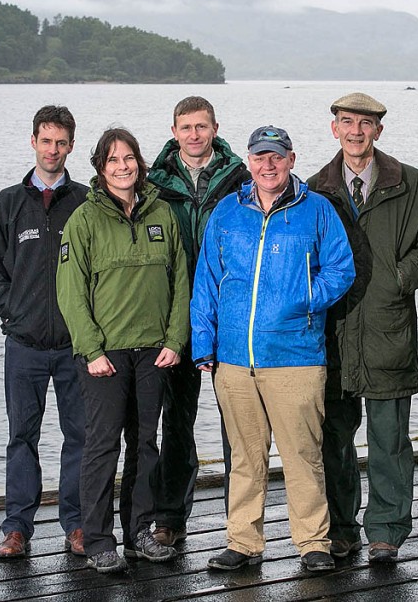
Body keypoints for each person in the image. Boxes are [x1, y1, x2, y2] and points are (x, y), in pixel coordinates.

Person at [191, 126, 355, 573]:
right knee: (245, 457)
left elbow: (342, 269)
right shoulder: (227, 212)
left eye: (277, 157)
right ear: (248, 161)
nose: (269, 164)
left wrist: (303, 297)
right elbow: (206, 281)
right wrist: (204, 344)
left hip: (296, 357)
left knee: (303, 454)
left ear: (291, 159)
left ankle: (313, 543)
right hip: (234, 360)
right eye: (261, 156)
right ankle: (243, 541)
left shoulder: (316, 210)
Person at [307, 92, 418, 563]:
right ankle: (342, 528)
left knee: (389, 441)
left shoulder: (411, 183)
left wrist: (398, 279)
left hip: (388, 328)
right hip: (333, 333)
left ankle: (386, 530)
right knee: (334, 441)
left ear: (379, 130)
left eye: (365, 124)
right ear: (334, 129)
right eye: (347, 122)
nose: (356, 132)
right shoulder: (313, 188)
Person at [56, 127, 190, 574]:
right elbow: (71, 295)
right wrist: (92, 350)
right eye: (113, 160)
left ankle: (138, 532)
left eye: (129, 158)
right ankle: (97, 540)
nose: (122, 166)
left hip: (153, 352)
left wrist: (174, 340)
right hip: (104, 356)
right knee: (101, 448)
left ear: (140, 163)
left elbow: (180, 283)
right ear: (99, 167)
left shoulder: (162, 214)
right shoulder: (84, 220)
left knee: (145, 445)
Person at [0, 105, 88, 559]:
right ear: (33, 142)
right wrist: (13, 310)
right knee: (22, 435)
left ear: (71, 146)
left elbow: (96, 271)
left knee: (80, 436)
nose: (53, 150)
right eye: (46, 141)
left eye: (61, 142)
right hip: (23, 344)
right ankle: (17, 528)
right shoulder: (8, 202)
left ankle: (77, 525)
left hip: (75, 345)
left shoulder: (84, 201)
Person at [147, 96, 249, 546]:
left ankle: (240, 520)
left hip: (227, 316)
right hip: (176, 318)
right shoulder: (154, 183)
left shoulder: (239, 179)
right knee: (175, 422)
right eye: (185, 127)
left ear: (215, 128)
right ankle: (170, 518)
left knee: (238, 422)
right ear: (174, 131)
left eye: (201, 127)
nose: (193, 135)